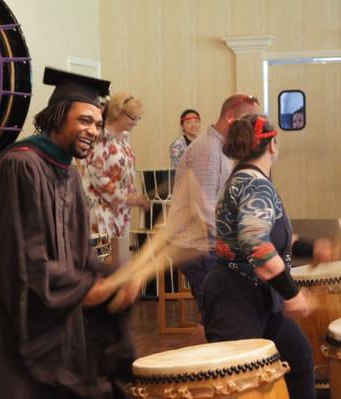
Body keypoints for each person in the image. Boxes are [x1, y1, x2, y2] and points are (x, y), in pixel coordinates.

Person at [0, 67, 143, 399]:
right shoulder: (19, 167)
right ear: (57, 115)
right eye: (84, 120)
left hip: (52, 312)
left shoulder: (65, 171)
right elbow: (20, 261)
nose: (92, 130)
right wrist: (83, 289)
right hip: (10, 323)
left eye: (96, 123)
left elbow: (79, 254)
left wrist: (113, 277)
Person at [202, 114, 331, 399]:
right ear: (272, 144)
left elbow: (273, 238)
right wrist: (292, 293)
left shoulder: (248, 179)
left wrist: (313, 249)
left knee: (297, 357)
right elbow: (256, 243)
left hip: (256, 297)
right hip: (235, 300)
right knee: (241, 385)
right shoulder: (255, 185)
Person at [165, 94, 260, 314]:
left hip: (204, 243)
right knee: (218, 315)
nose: (252, 128)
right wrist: (234, 242)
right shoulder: (207, 149)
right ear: (230, 116)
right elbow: (205, 208)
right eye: (249, 120)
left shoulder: (218, 147)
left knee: (216, 316)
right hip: (197, 245)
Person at [78, 92, 150, 267]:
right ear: (119, 113)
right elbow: (98, 176)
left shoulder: (124, 137)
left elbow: (126, 172)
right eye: (133, 118)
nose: (135, 123)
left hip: (120, 211)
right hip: (100, 210)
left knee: (120, 265)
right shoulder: (98, 136)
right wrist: (126, 198)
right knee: (103, 265)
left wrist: (135, 197)